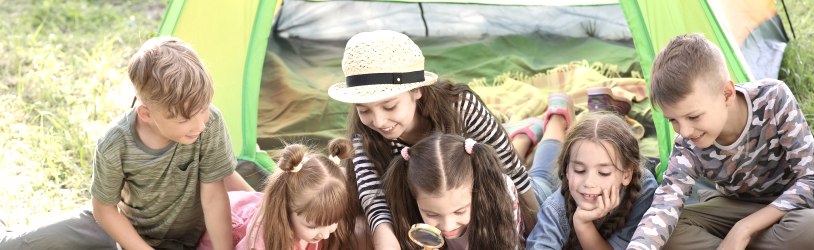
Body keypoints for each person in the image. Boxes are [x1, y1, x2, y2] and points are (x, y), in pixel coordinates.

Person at [0, 36, 254, 249]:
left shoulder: (209, 124)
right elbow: (104, 210)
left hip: (193, 234)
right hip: (124, 230)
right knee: (16, 245)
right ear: (146, 114)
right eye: (186, 118)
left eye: (204, 108)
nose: (200, 124)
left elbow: (214, 196)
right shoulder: (115, 144)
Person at [326, 30, 539, 248]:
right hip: (434, 212)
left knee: (537, 176)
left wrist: (537, 232)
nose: (379, 121)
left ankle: (546, 125)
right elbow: (374, 201)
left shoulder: (461, 108)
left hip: (487, 192)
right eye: (364, 110)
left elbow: (513, 172)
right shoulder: (364, 135)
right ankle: (524, 132)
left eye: (389, 106)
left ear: (417, 91)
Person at [627, 34, 814, 249]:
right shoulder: (687, 145)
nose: (685, 131)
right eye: (673, 120)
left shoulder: (773, 98)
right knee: (666, 233)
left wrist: (743, 229)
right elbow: (664, 206)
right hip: (731, 208)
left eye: (694, 116)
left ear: (726, 94)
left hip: (788, 209)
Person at [527, 112, 657, 249]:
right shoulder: (554, 209)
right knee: (540, 177)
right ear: (566, 170)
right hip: (538, 193)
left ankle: (555, 119)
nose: (589, 182)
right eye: (579, 170)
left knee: (541, 174)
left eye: (603, 173)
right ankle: (553, 119)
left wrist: (583, 224)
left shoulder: (643, 189)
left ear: (626, 175)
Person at [197, 139, 358, 250]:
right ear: (286, 209)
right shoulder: (261, 240)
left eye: (333, 221)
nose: (324, 233)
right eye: (312, 226)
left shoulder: (317, 224)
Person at [384, 133, 523, 249]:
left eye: (459, 211)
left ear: (477, 193)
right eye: (431, 214)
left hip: (527, 195)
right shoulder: (404, 203)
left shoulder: (501, 195)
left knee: (539, 172)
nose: (448, 226)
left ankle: (526, 137)